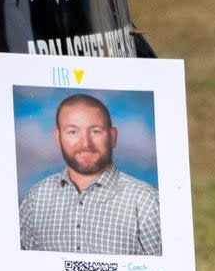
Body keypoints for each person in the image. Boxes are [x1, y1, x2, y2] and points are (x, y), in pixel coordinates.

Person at [19, 93, 161, 255]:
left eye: (95, 131)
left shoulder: (144, 201)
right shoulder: (37, 198)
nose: (86, 143)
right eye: (73, 132)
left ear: (113, 137)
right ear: (58, 138)